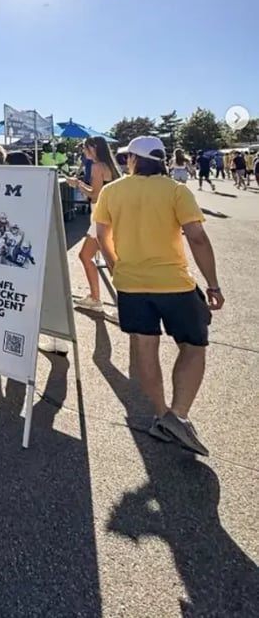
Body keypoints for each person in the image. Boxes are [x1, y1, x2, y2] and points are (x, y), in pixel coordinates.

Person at [93, 136, 224, 456]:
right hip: (174, 284)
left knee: (145, 348)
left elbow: (101, 235)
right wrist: (213, 284)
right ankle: (178, 414)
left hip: (131, 285)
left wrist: (115, 268)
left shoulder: (112, 191)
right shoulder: (177, 191)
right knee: (193, 347)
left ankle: (160, 413)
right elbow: (197, 238)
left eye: (128, 158)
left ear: (135, 160)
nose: (126, 162)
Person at [67, 136, 121, 312]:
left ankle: (108, 301)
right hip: (108, 216)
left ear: (94, 149)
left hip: (101, 217)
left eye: (85, 148)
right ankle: (96, 298)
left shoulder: (98, 167)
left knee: (106, 261)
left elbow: (95, 195)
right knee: (96, 257)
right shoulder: (110, 166)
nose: (83, 152)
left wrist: (77, 184)